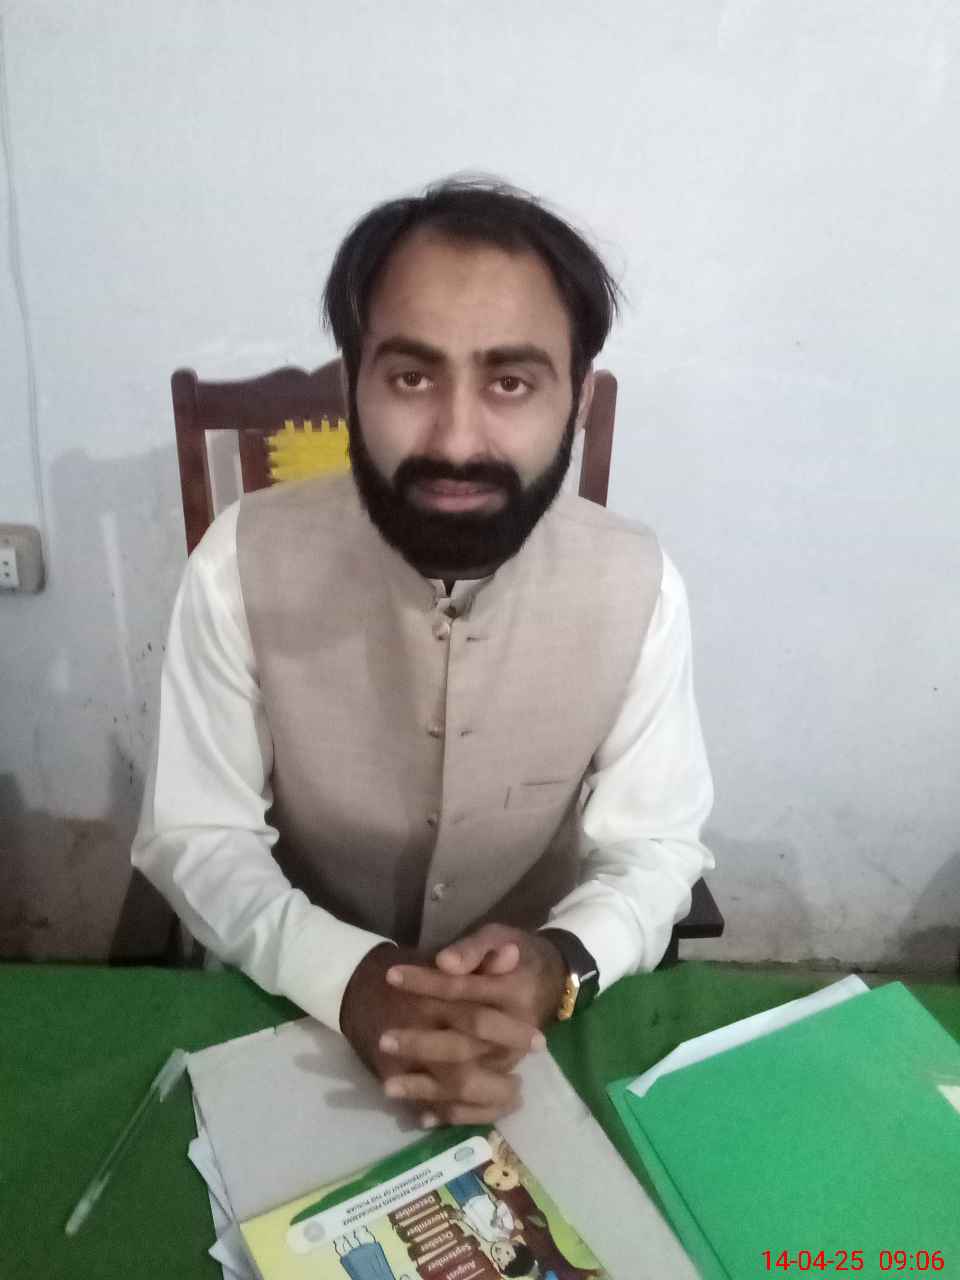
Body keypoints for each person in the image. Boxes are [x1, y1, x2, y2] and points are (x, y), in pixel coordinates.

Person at [132, 177, 715, 1129]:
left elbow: (653, 846)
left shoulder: (640, 586)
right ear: (352, 387)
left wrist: (560, 962)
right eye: (410, 378)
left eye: (511, 382)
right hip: (292, 1015)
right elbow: (200, 833)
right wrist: (349, 977)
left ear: (577, 402)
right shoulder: (238, 563)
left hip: (531, 1042)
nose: (455, 439)